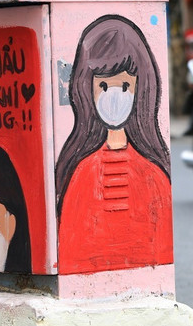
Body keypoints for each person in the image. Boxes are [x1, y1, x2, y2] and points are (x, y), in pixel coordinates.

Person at [55, 15, 172, 274]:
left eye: (125, 85)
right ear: (87, 89)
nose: (114, 96)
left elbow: (162, 252)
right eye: (104, 85)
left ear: (141, 88)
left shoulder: (154, 177)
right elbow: (71, 253)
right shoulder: (82, 174)